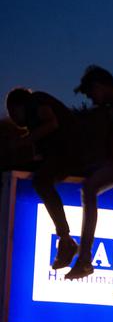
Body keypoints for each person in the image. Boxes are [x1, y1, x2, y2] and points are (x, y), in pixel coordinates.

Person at [66, 66, 113, 279]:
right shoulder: (112, 107)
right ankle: (83, 258)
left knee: (89, 189)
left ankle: (84, 259)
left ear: (100, 87)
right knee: (88, 184)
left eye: (91, 92)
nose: (91, 98)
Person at [5, 88, 82, 269]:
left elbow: (52, 123)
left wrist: (24, 140)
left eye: (12, 112)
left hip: (71, 153)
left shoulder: (36, 101)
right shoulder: (33, 121)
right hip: (61, 154)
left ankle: (65, 239)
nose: (13, 118)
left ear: (18, 105)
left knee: (41, 182)